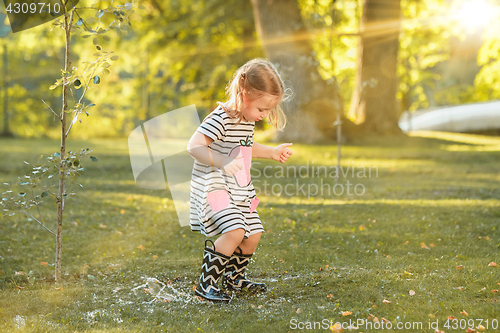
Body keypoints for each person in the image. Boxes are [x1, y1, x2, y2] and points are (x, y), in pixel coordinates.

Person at [187, 58, 293, 302]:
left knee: (253, 233)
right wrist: (222, 161)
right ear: (245, 95)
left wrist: (272, 152)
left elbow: (245, 145)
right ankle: (207, 284)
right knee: (235, 231)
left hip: (239, 189)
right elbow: (194, 146)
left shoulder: (246, 119)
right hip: (215, 187)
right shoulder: (221, 117)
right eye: (262, 109)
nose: (264, 115)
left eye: (268, 110)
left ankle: (234, 279)